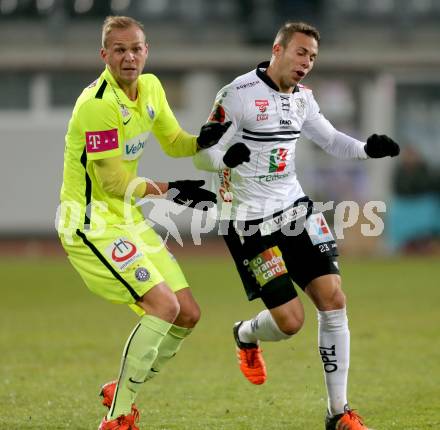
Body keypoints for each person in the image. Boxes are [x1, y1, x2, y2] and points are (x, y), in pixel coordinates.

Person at [194, 22, 400, 430]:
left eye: (312, 57)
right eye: (301, 53)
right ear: (278, 49)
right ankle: (247, 334)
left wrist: (366, 150)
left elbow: (332, 140)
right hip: (247, 222)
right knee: (290, 322)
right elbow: (203, 152)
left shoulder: (304, 100)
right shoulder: (237, 95)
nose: (306, 63)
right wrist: (224, 160)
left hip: (295, 209)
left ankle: (338, 413)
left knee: (333, 298)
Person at [57, 16, 230, 430]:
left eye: (136, 48)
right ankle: (117, 419)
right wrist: (171, 190)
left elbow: (174, 142)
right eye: (119, 50)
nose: (129, 56)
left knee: (187, 313)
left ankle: (123, 388)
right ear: (105, 56)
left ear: (146, 51)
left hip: (127, 218)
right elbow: (113, 181)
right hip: (91, 223)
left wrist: (205, 139)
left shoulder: (151, 88)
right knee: (163, 306)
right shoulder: (98, 104)